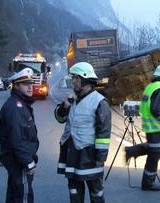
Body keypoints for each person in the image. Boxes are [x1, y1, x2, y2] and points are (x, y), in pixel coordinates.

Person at [54, 62, 111, 203]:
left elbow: (103, 133)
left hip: (89, 156)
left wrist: (100, 158)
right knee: (74, 192)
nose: (73, 81)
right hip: (72, 153)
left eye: (76, 78)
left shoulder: (100, 102)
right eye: (73, 78)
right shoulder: (72, 99)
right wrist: (66, 104)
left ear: (85, 80)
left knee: (96, 194)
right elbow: (60, 118)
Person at [125, 64, 160, 191]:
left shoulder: (150, 87)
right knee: (154, 156)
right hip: (156, 129)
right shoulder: (159, 88)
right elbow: (156, 109)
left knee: (155, 151)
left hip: (151, 128)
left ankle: (132, 151)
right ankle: (148, 183)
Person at [0, 68, 39, 203]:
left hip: (17, 160)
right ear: (15, 86)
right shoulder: (16, 107)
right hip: (19, 162)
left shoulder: (20, 104)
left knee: (14, 195)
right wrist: (28, 163)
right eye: (25, 84)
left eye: (31, 84)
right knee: (23, 197)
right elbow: (18, 140)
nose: (30, 87)